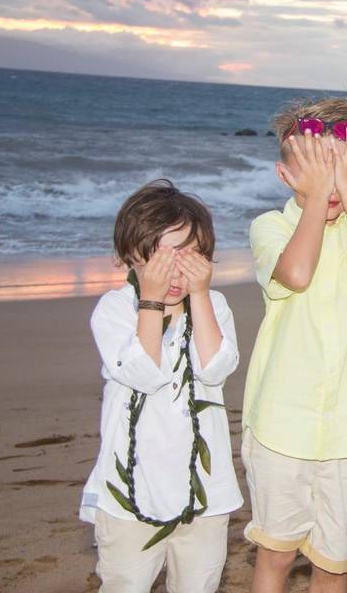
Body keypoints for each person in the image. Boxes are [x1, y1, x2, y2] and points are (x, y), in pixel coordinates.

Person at [242, 98, 347, 593]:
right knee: (277, 552)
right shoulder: (271, 226)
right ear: (287, 175)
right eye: (315, 170)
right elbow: (296, 272)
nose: (330, 185)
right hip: (282, 424)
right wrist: (316, 200)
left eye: (343, 170)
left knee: (334, 561)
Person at [79, 179, 242, 592]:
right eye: (160, 255)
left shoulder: (215, 305)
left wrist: (201, 295)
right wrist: (151, 302)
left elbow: (216, 368)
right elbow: (143, 372)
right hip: (128, 496)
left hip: (206, 494)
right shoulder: (114, 310)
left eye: (190, 253)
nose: (174, 268)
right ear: (128, 256)